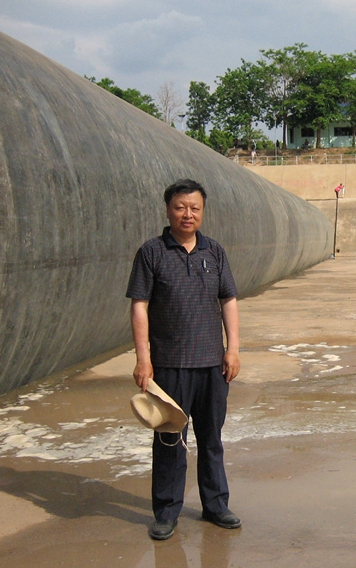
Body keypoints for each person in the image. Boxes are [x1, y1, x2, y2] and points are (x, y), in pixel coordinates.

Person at [126, 179, 241, 540]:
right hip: (170, 365)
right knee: (169, 440)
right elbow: (139, 306)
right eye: (180, 207)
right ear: (168, 209)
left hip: (212, 365)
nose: (187, 214)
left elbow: (229, 300)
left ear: (202, 211)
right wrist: (143, 359)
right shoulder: (152, 252)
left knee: (211, 439)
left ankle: (216, 505)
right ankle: (166, 512)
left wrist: (233, 347)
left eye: (194, 208)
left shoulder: (215, 252)